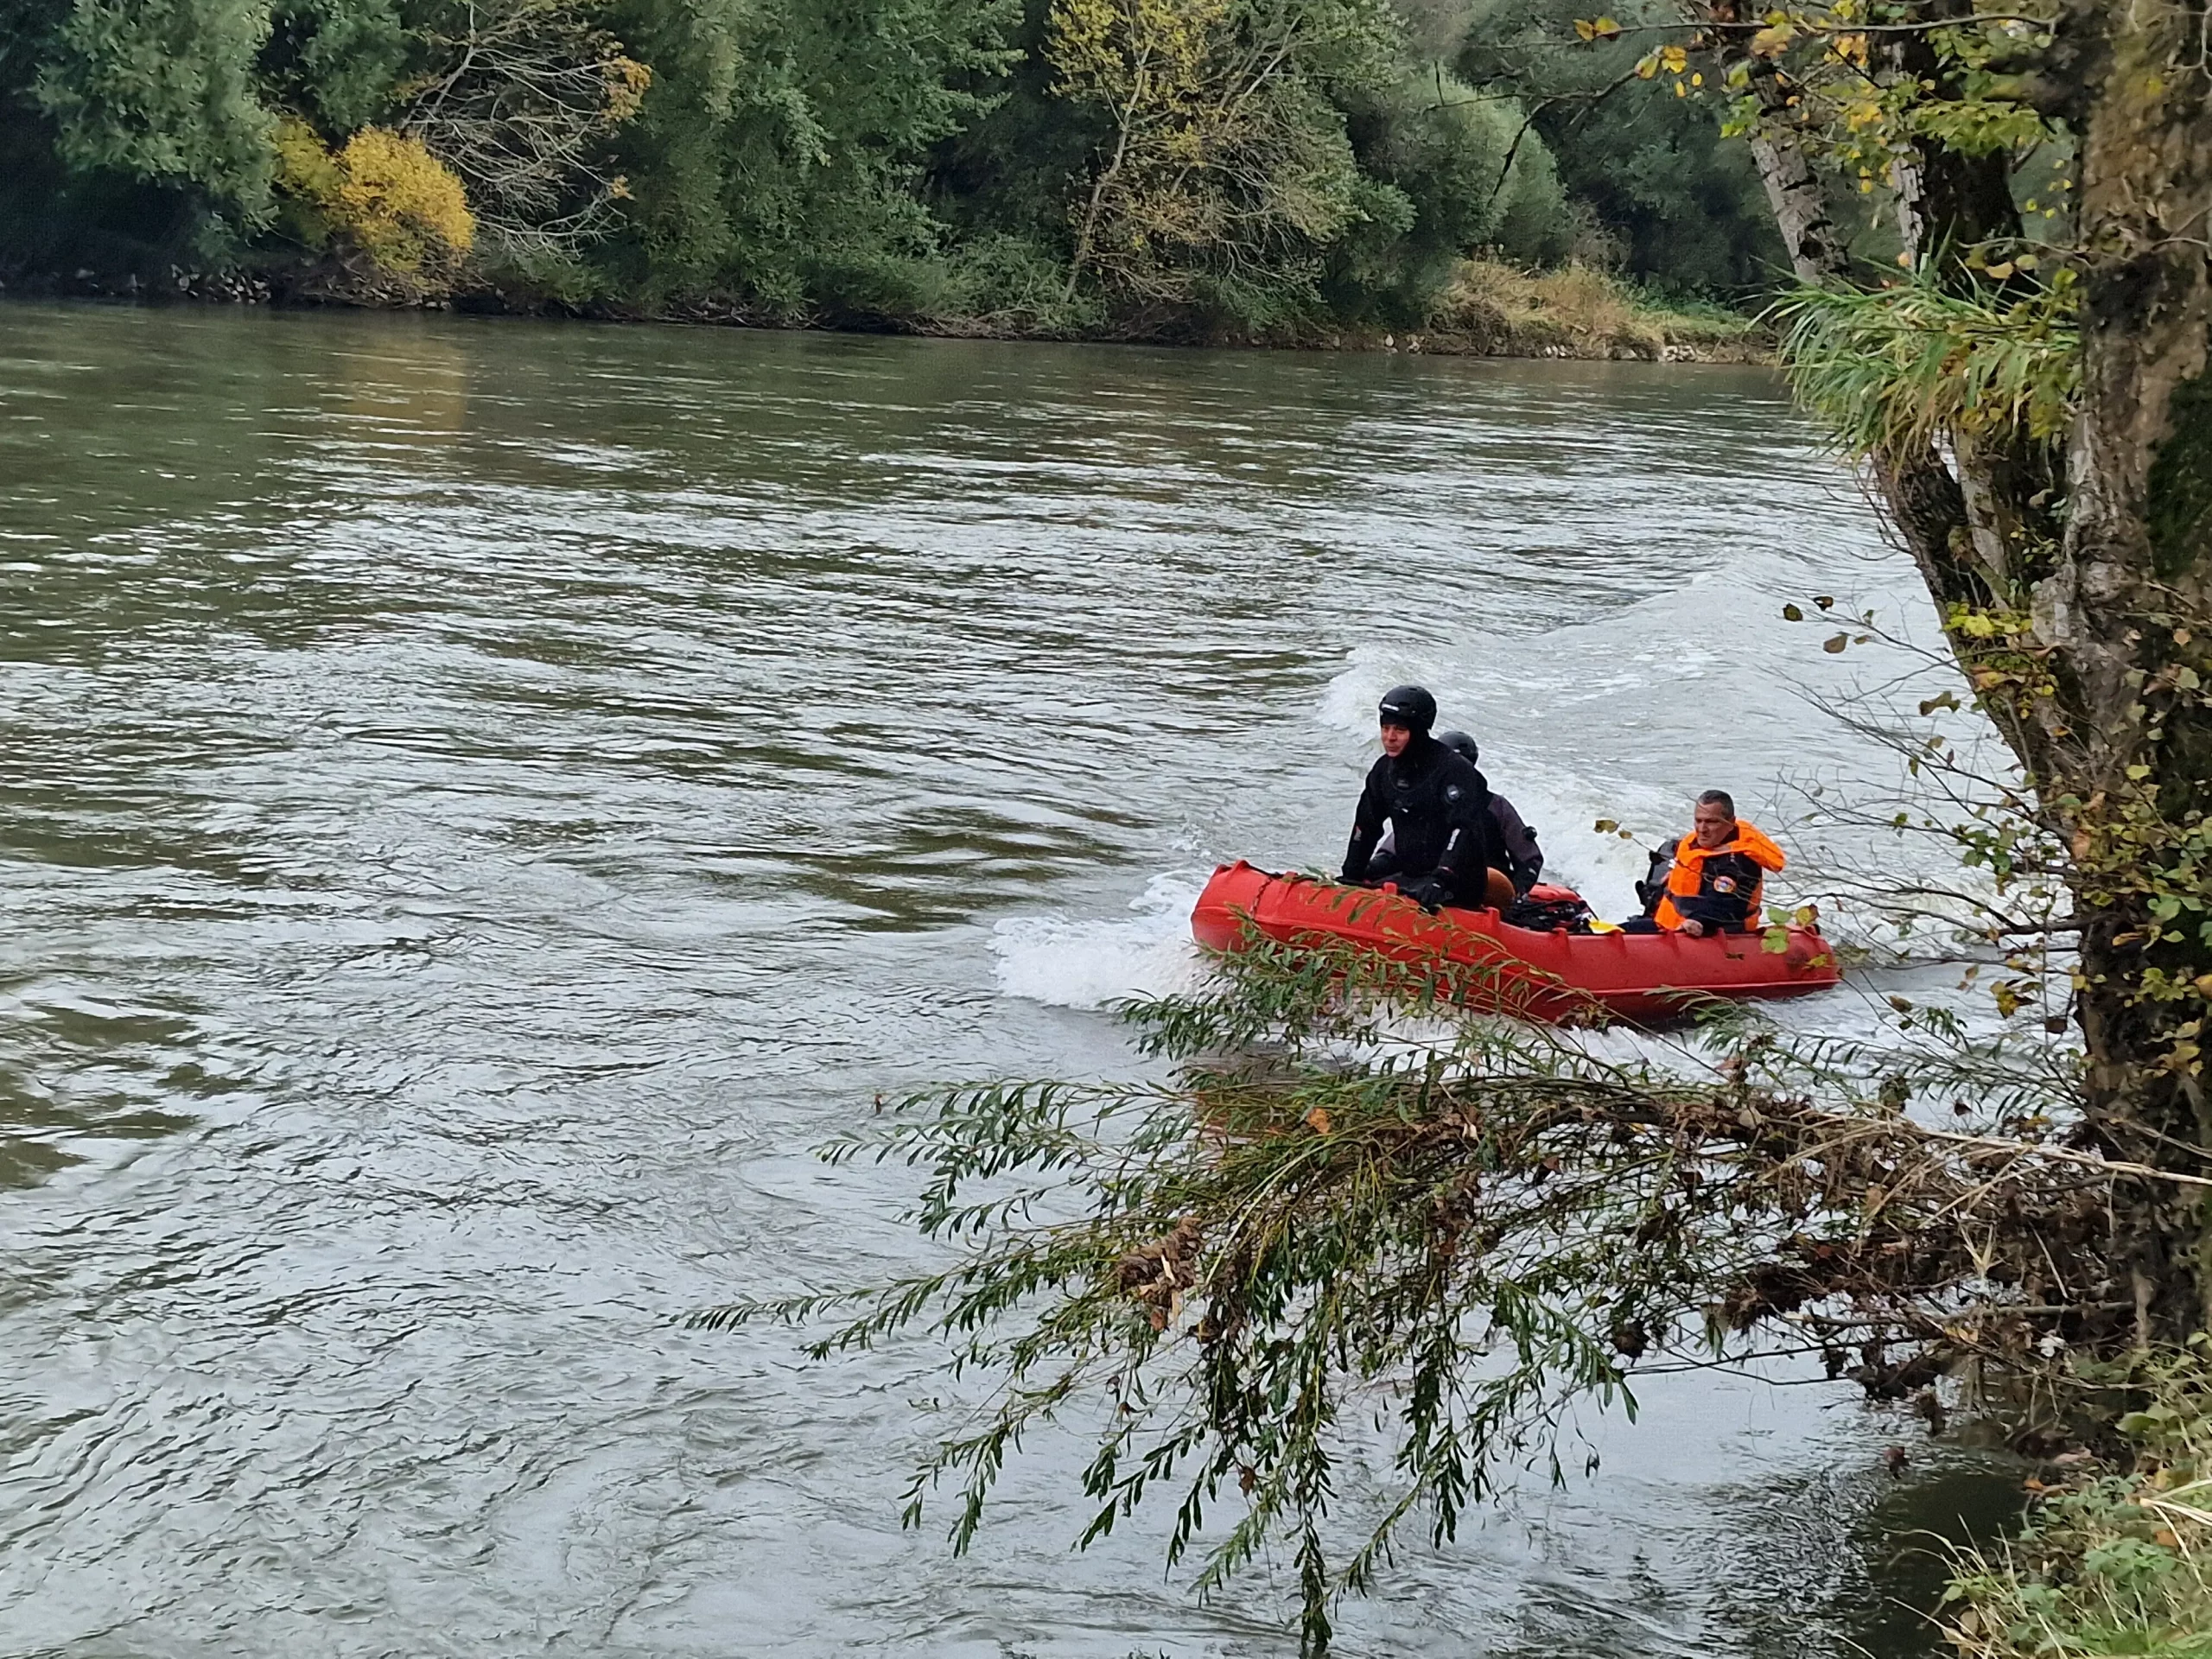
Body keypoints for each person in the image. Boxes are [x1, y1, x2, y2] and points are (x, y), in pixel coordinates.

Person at [1342, 685, 1511, 910]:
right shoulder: (1383, 771)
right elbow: (1366, 826)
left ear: (1419, 731)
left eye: (1399, 730)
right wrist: (1350, 876)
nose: (1390, 738)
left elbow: (1463, 830)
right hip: (1412, 877)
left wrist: (1442, 878)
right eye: (1385, 728)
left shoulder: (1453, 770)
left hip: (1457, 884)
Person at [1624, 790, 1785, 936]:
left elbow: (1725, 906)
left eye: (1711, 822)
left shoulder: (1738, 863)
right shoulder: (1691, 845)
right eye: (1698, 821)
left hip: (1708, 935)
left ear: (1730, 823)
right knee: (1610, 932)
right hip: (1667, 925)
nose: (1702, 829)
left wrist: (1700, 921)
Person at [1436, 731, 1543, 894]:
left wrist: (1518, 891)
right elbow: (1392, 850)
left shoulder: (1497, 806)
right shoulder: (1423, 802)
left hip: (1488, 891)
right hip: (1433, 886)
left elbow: (1529, 858)